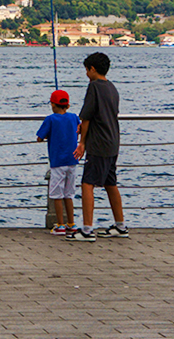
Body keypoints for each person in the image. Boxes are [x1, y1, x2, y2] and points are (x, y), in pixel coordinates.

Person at [69, 51, 128, 242]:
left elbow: (86, 117)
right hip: (113, 141)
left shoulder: (94, 87)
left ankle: (86, 229)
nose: (86, 74)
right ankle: (120, 226)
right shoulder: (112, 87)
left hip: (99, 143)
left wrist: (82, 143)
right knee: (110, 183)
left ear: (92, 69)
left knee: (88, 183)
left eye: (86, 70)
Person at [36, 89, 80, 236]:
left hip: (57, 162)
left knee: (56, 194)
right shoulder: (74, 117)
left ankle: (60, 224)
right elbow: (79, 130)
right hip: (72, 161)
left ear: (53, 104)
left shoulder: (51, 119)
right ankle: (71, 224)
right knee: (69, 194)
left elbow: (40, 137)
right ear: (67, 105)